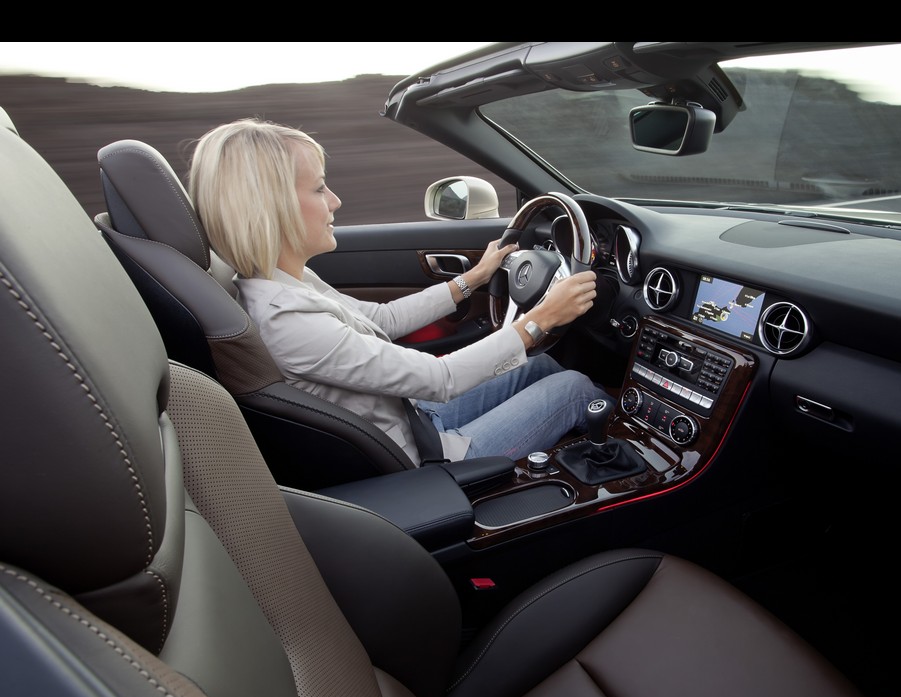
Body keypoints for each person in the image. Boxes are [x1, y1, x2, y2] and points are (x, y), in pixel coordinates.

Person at [188, 117, 610, 465]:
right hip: (426, 455)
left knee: (534, 366)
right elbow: (440, 378)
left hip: (411, 415)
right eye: (319, 188)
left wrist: (475, 278)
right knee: (572, 387)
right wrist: (542, 318)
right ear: (270, 207)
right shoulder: (287, 319)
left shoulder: (280, 282)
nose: (335, 201)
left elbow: (383, 320)